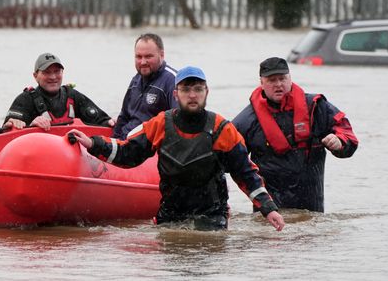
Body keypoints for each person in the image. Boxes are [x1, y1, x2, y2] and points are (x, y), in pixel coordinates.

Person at [68, 66, 285, 232]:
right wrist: (93, 144)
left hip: (211, 215)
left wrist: (268, 208)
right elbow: (129, 154)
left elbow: (245, 173)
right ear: (175, 93)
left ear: (206, 92)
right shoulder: (160, 123)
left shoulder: (222, 128)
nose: (192, 95)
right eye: (186, 89)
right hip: (171, 213)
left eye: (198, 89)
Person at [232, 57, 359, 213]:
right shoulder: (247, 120)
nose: (278, 84)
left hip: (312, 208)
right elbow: (225, 157)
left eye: (282, 78)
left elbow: (348, 135)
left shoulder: (316, 107)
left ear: (290, 78)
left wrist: (340, 142)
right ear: (261, 83)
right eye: (272, 80)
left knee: (310, 231)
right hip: (270, 212)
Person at [4, 52, 114, 131]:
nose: (53, 77)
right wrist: (31, 125)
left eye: (57, 72)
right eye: (47, 72)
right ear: (35, 76)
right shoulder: (25, 100)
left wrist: (111, 122)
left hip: (69, 156)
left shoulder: (73, 96)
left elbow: (102, 121)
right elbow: (6, 131)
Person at [112, 33, 177, 139]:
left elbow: (180, 123)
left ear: (162, 55)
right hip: (126, 143)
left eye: (148, 56)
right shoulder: (135, 80)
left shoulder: (173, 81)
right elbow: (124, 116)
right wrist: (113, 141)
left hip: (149, 148)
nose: (142, 62)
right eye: (138, 56)